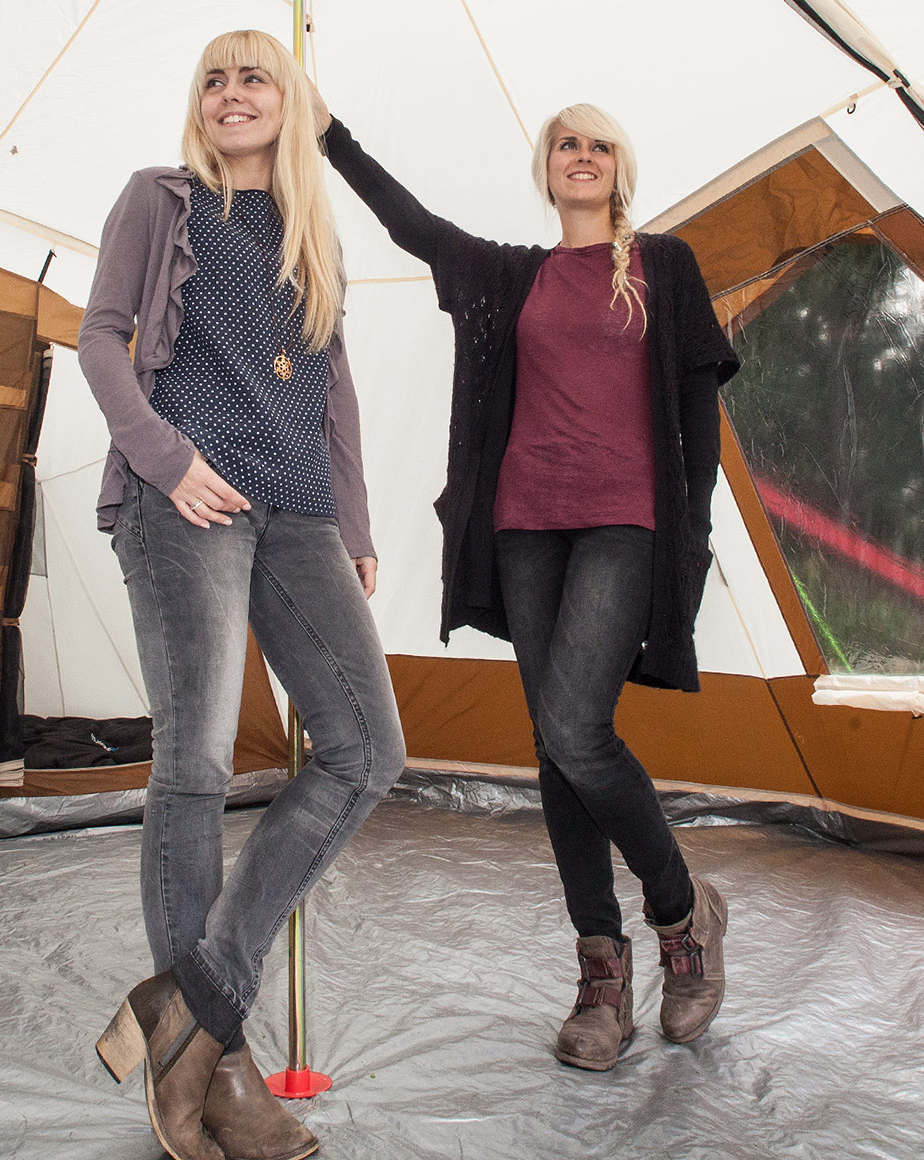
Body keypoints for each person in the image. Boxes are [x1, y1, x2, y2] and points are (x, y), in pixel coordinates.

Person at [312, 90, 738, 1073]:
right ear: (546, 167)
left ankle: (680, 916)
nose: (580, 156)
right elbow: (412, 226)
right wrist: (331, 135)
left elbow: (697, 414)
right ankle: (601, 975)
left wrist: (694, 536)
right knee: (555, 745)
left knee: (578, 730)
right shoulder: (512, 275)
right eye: (564, 144)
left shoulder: (662, 268)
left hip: (626, 520)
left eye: (596, 145)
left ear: (617, 166)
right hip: (523, 525)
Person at [80, 30, 405, 1160]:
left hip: (300, 515)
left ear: (290, 103)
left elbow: (334, 385)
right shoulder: (160, 199)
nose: (230, 93)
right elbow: (100, 335)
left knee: (366, 748)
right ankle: (217, 1074)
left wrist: (353, 521)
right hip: (189, 507)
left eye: (252, 76)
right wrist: (164, 458)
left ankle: (191, 1009)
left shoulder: (313, 230)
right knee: (198, 761)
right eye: (213, 78)